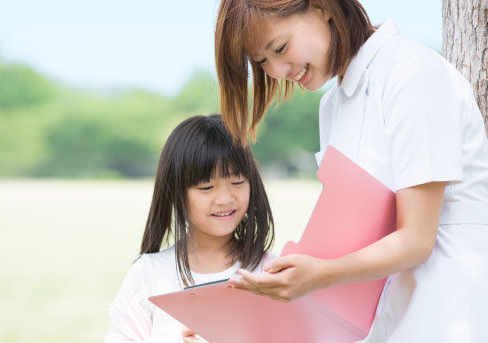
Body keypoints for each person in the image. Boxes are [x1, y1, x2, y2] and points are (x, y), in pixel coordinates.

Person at [215, 0, 488, 341]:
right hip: (386, 313)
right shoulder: (333, 106)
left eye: (280, 48)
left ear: (321, 8)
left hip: (452, 309)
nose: (277, 71)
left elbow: (417, 239)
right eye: (261, 62)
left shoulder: (410, 72)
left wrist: (320, 275)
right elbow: (354, 235)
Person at [104, 114, 275, 343]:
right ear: (175, 193)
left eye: (237, 182)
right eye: (206, 187)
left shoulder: (271, 273)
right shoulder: (148, 274)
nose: (225, 198)